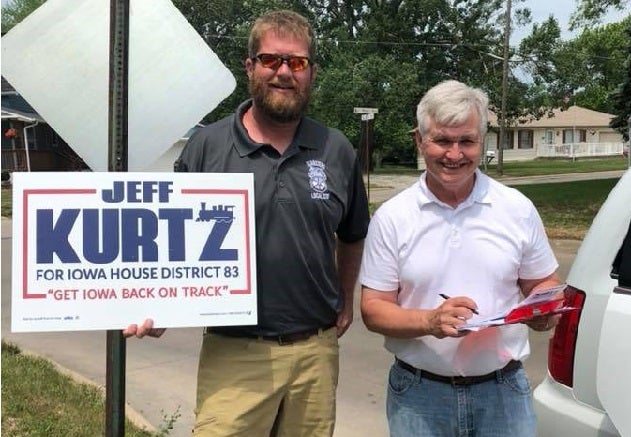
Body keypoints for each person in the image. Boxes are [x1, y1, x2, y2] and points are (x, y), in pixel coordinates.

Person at [124, 9, 369, 436]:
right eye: (271, 59)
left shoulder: (336, 149)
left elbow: (351, 234)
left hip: (314, 350)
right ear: (250, 66)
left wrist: (345, 299)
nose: (283, 72)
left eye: (297, 62)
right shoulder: (207, 146)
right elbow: (170, 239)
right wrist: (158, 304)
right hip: (234, 351)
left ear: (311, 72)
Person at [359, 79, 561, 437]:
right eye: (442, 140)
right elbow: (373, 308)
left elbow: (542, 283)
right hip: (420, 395)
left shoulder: (516, 208)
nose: (454, 154)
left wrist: (543, 310)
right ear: (419, 141)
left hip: (503, 392)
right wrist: (430, 321)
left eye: (466, 141)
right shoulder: (392, 217)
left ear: (482, 143)